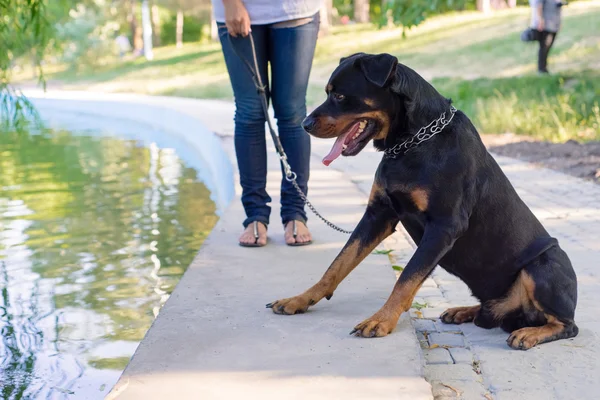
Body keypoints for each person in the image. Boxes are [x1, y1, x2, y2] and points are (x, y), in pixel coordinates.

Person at [212, 0, 322, 247]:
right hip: (238, 11)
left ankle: (295, 212)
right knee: (249, 114)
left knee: (292, 113)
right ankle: (255, 216)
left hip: (296, 11)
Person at [529, 0, 564, 74]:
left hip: (553, 23)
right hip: (546, 25)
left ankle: (543, 69)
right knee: (544, 47)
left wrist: (559, 21)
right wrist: (540, 19)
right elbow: (538, 5)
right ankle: (542, 69)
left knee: (547, 47)